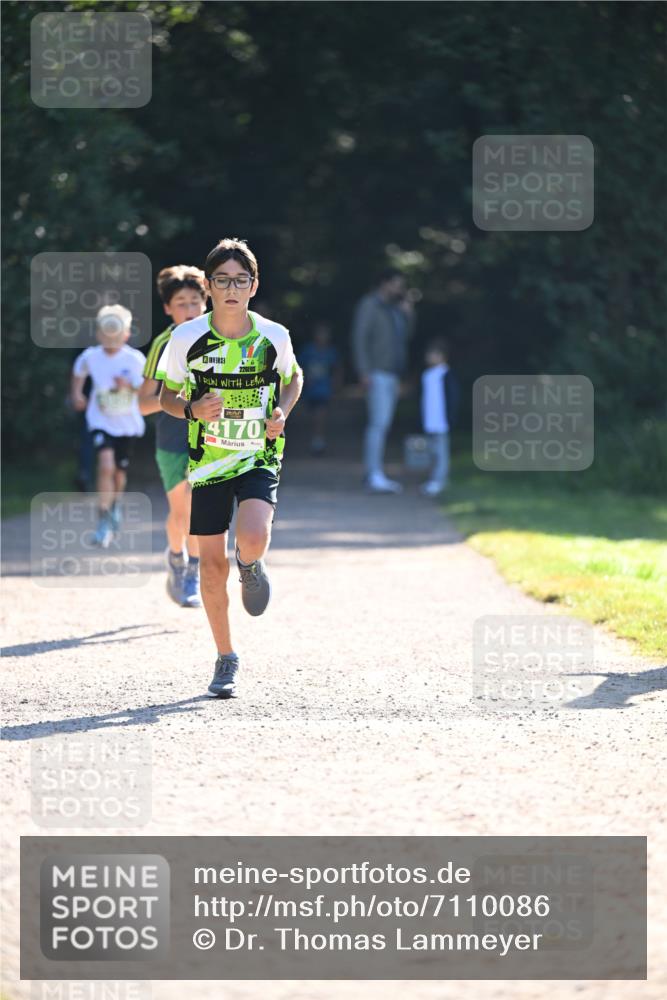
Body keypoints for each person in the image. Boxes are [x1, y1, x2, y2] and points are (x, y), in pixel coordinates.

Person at [160, 237, 303, 699]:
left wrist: (282, 411)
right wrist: (191, 410)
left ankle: (252, 563)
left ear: (254, 285)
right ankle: (226, 657)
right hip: (207, 465)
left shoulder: (272, 336)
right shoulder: (187, 338)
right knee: (210, 567)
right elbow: (165, 396)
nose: (231, 288)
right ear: (208, 284)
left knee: (254, 535)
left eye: (240, 280)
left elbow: (294, 377)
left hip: (258, 453)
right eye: (222, 280)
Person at [139, 265, 208, 608]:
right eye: (181, 303)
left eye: (196, 302)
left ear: (206, 303)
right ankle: (176, 558)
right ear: (168, 308)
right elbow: (142, 404)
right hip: (172, 438)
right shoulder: (164, 344)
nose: (190, 310)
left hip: (210, 438)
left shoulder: (220, 337)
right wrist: (183, 403)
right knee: (179, 512)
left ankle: (193, 573)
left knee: (196, 509)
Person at [71, 304, 145, 547]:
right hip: (100, 420)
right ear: (99, 334)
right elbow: (79, 371)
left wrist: (128, 386)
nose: (110, 340)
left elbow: (146, 389)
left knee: (119, 474)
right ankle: (103, 519)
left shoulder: (135, 359)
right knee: (105, 465)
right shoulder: (91, 356)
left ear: (126, 335)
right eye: (105, 335)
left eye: (116, 336)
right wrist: (77, 393)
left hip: (126, 424)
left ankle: (115, 504)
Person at [351, 269, 415, 493]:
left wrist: (408, 315)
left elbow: (406, 337)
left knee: (384, 424)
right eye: (397, 284)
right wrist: (364, 371)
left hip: (394, 374)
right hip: (377, 372)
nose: (400, 289)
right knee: (378, 424)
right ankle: (373, 474)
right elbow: (359, 338)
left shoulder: (396, 309)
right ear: (385, 284)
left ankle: (376, 472)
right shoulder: (370, 305)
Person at [420, 338, 460, 496]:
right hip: (429, 420)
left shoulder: (446, 375)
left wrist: (451, 417)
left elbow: (453, 398)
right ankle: (434, 478)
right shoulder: (427, 375)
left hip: (441, 421)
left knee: (441, 451)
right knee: (432, 451)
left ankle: (440, 479)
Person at [299, 320, 340, 455]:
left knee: (320, 414)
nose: (323, 337)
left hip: (324, 390)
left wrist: (335, 385)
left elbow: (337, 369)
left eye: (325, 334)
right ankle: (315, 439)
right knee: (312, 416)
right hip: (310, 391)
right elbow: (298, 367)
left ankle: (318, 441)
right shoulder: (308, 350)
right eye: (320, 334)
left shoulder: (330, 352)